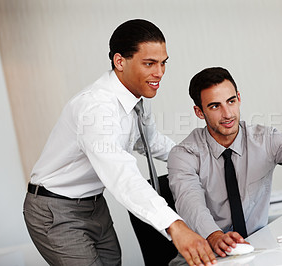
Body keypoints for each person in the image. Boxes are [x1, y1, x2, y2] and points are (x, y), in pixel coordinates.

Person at [23, 19, 216, 266]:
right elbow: (122, 174)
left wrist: (199, 160)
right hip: (55, 209)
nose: (159, 73)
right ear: (120, 61)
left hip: (95, 204)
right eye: (149, 63)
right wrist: (175, 226)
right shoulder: (96, 108)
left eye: (163, 63)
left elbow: (150, 140)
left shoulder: (135, 97)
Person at [167, 67, 282, 262]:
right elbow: (190, 202)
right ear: (199, 112)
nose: (227, 114)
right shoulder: (184, 154)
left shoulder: (266, 139)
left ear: (239, 98)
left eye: (231, 101)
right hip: (205, 256)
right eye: (215, 106)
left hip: (257, 250)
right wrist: (214, 236)